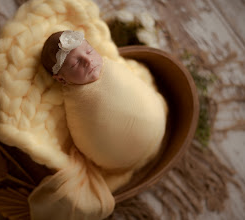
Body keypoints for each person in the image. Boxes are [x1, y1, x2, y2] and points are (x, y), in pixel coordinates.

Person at [41, 30, 168, 173]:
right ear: (61, 79)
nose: (88, 61)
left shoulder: (109, 65)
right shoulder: (75, 102)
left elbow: (133, 83)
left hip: (159, 123)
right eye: (76, 64)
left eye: (89, 51)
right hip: (121, 160)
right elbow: (83, 133)